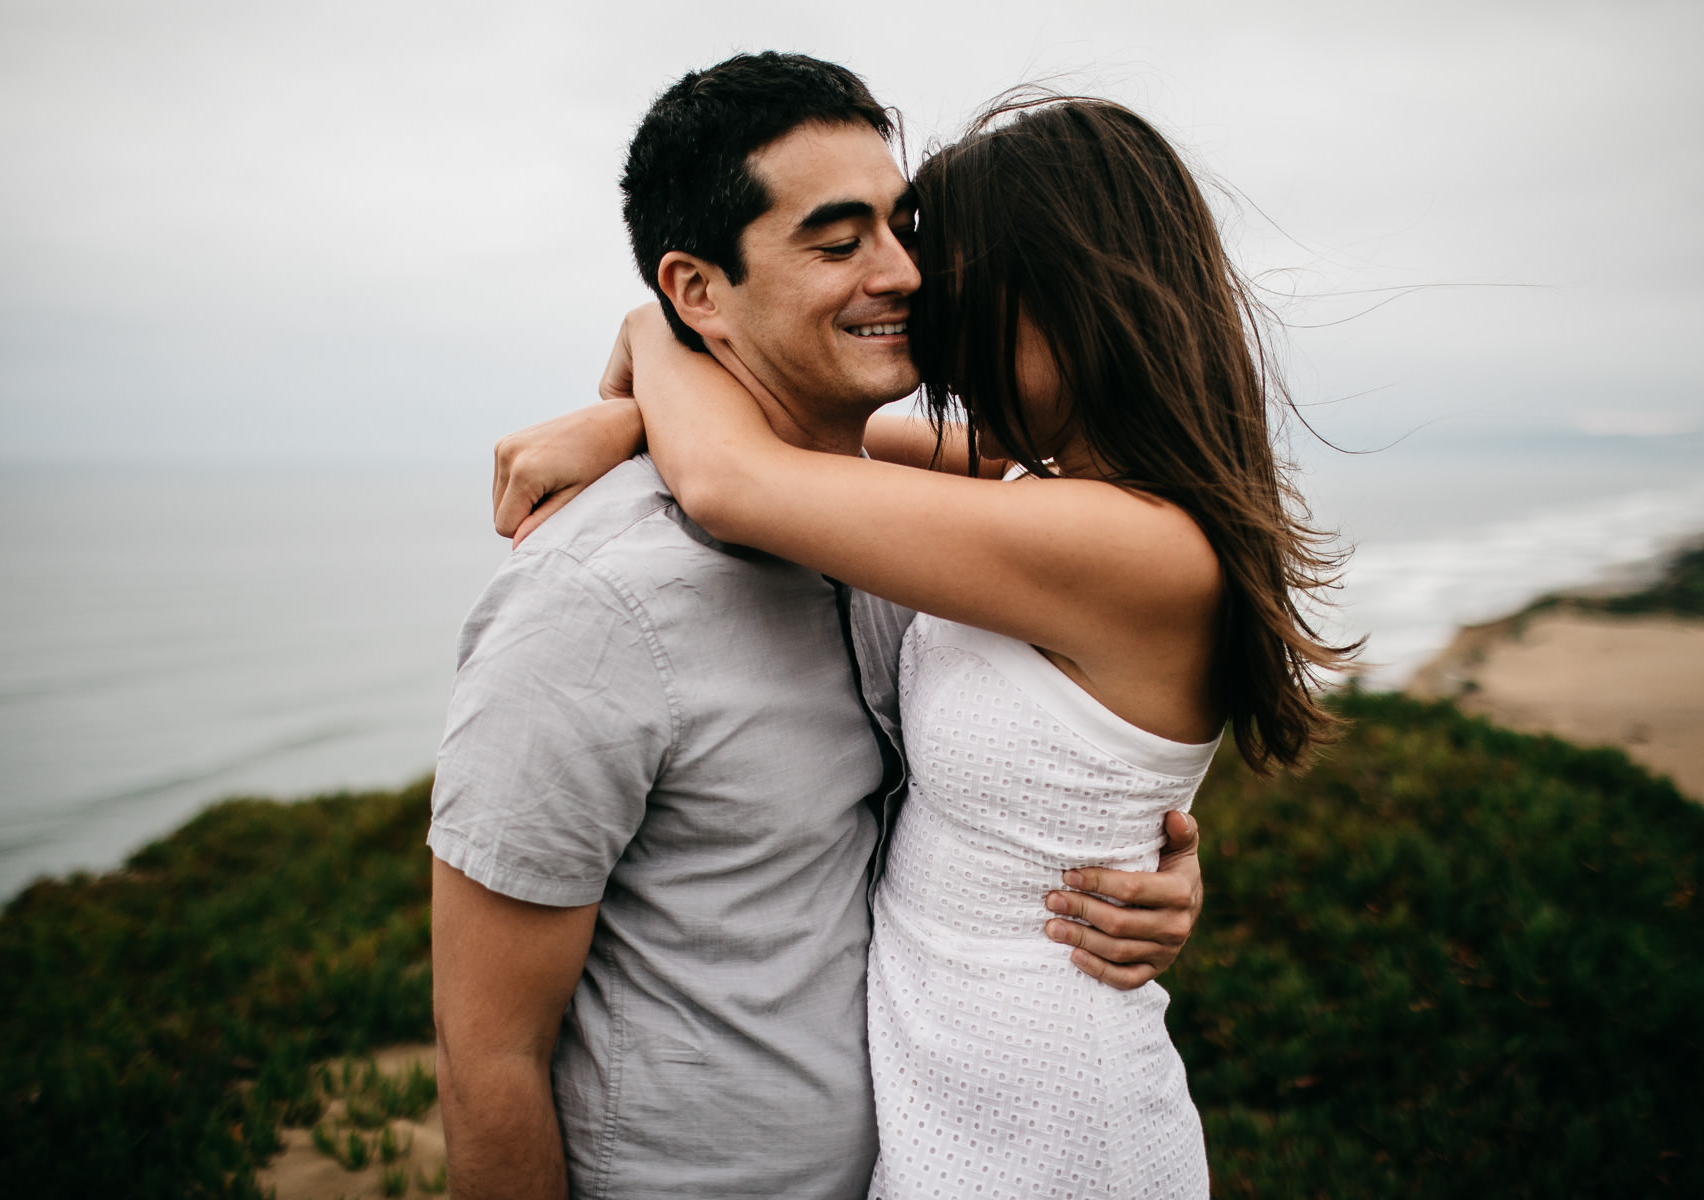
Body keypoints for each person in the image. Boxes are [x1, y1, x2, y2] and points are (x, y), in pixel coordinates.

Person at [506, 95, 1354, 1197]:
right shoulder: (1052, 492)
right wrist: (641, 406)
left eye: (954, 293)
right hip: (957, 1075)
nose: (921, 318)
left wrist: (650, 334)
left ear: (1070, 298)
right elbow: (823, 439)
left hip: (1042, 1109)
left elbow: (735, 481)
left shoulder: (1127, 543)